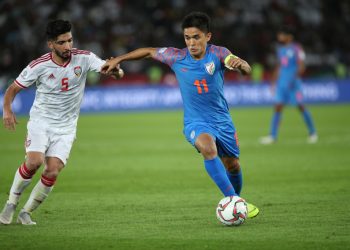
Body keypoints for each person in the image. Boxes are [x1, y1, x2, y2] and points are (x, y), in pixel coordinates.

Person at [102, 12, 259, 219]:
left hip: (222, 121)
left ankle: (236, 202)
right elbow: (148, 52)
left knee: (233, 164)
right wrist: (119, 59)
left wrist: (243, 66)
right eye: (187, 38)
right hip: (196, 121)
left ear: (208, 36)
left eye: (196, 37)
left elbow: (241, 66)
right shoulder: (176, 56)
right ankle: (235, 202)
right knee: (207, 147)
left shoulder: (219, 54)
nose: (191, 43)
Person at [0, 20, 122, 225]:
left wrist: (117, 71)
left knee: (53, 169)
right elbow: (13, 89)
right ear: (51, 44)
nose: (68, 46)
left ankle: (26, 212)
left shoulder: (84, 58)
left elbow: (113, 70)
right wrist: (7, 110)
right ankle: (11, 203)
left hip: (66, 127)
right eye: (62, 42)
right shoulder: (38, 66)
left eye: (70, 40)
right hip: (41, 121)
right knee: (34, 162)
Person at [260, 26, 317, 144]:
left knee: (301, 106)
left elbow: (301, 66)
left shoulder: (296, 48)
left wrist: (293, 79)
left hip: (293, 84)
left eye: (282, 34)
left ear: (289, 37)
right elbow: (279, 66)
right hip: (282, 84)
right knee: (277, 107)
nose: (279, 37)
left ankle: (312, 133)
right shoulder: (280, 50)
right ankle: (272, 136)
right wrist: (273, 82)